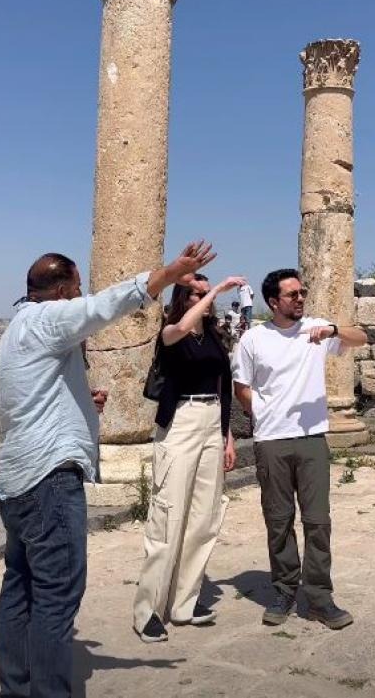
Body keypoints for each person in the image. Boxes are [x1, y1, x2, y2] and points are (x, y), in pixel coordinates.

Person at [0, 241, 215, 698]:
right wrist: (169, 273)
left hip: (14, 478)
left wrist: (80, 402)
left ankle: (14, 688)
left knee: (19, 588)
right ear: (61, 291)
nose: (81, 294)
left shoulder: (17, 327)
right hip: (48, 478)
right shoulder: (51, 318)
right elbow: (106, 305)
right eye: (77, 287)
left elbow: (18, 401)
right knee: (56, 596)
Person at [232, 269, 366, 630]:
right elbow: (241, 386)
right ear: (273, 302)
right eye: (292, 294)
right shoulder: (253, 339)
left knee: (318, 521)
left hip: (311, 439)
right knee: (278, 520)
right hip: (271, 440)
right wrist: (263, 412)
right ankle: (284, 590)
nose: (300, 298)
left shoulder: (316, 328)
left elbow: (360, 338)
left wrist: (333, 330)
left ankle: (320, 597)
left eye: (302, 292)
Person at [133, 274, 244, 643]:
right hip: (181, 422)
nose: (205, 299)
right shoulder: (170, 333)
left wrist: (227, 436)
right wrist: (218, 290)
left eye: (206, 293)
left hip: (212, 421)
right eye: (197, 293)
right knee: (168, 516)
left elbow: (223, 387)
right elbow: (180, 328)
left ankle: (185, 602)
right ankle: (148, 610)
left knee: (203, 518)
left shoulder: (213, 336)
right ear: (183, 297)